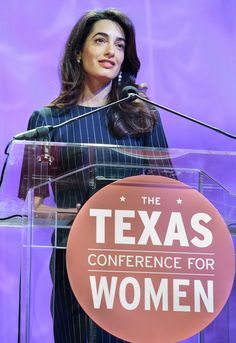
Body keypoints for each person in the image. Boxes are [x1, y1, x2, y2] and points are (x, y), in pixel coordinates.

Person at [20, 7, 174, 343]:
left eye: (119, 45)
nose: (111, 52)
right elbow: (34, 208)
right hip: (76, 261)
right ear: (78, 50)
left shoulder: (144, 116)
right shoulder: (47, 121)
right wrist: (84, 217)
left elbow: (172, 195)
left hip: (136, 266)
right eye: (100, 41)